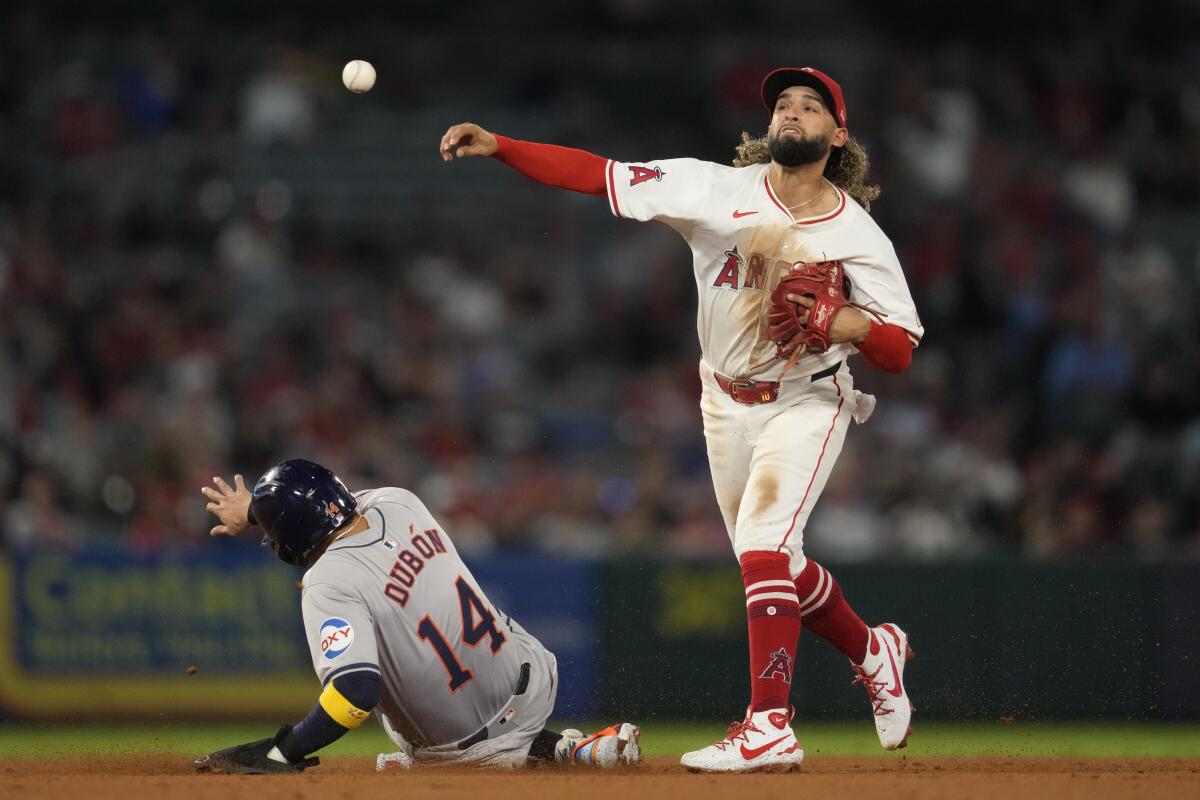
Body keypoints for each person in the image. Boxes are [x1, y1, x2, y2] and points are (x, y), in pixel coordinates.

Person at [439, 66, 921, 773]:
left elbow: (900, 350)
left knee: (762, 545)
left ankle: (769, 725)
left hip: (807, 400)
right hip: (722, 398)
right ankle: (874, 649)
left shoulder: (856, 233)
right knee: (778, 563)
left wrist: (845, 320)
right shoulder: (713, 189)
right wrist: (502, 146)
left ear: (837, 135)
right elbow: (598, 174)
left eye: (810, 106)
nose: (791, 112)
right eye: (783, 104)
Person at [195, 458, 640, 773]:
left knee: (384, 692)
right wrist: (257, 509)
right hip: (530, 679)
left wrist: (283, 753)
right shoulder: (398, 501)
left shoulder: (328, 583)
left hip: (462, 750)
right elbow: (333, 509)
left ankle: (506, 755)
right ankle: (571, 750)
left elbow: (354, 693)